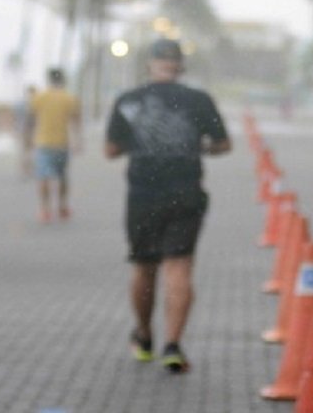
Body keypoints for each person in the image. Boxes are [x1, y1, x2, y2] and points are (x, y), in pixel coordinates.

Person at [104, 38, 231, 374]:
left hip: (143, 195)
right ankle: (173, 344)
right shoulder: (199, 101)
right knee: (179, 267)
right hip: (186, 192)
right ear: (179, 66)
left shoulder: (129, 101)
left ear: (150, 65)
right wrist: (195, 148)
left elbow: (110, 150)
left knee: (144, 267)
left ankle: (144, 336)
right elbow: (223, 145)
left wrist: (141, 144)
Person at [31, 69, 81, 223]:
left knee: (43, 177)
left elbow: (31, 118)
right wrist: (78, 140)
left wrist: (27, 139)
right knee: (62, 176)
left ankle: (45, 209)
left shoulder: (39, 97)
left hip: (43, 142)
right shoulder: (70, 98)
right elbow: (75, 121)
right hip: (62, 143)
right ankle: (62, 207)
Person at [14, 85, 37, 179]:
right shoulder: (34, 104)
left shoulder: (21, 104)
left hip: (24, 129)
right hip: (30, 130)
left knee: (26, 152)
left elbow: (16, 118)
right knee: (28, 152)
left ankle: (26, 171)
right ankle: (27, 171)